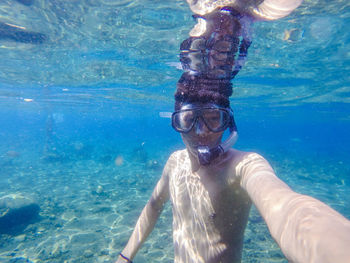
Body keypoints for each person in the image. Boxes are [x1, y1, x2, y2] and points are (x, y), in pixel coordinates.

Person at [116, 1, 350, 262]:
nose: (202, 131)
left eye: (215, 119)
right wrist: (126, 256)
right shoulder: (175, 162)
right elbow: (153, 207)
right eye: (189, 119)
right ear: (176, 122)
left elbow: (287, 209)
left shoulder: (242, 167)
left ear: (229, 124)